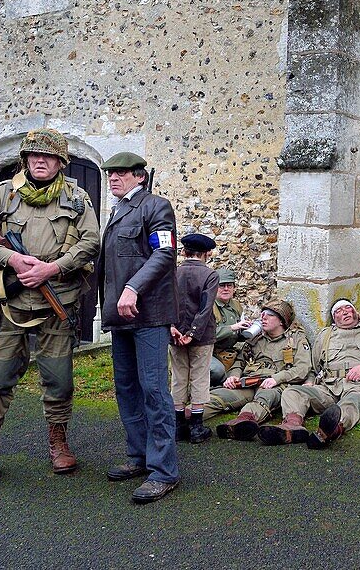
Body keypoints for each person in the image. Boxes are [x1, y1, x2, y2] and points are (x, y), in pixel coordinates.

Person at [0, 129, 100, 485]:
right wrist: (11, 258)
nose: (41, 161)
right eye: (34, 156)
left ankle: (58, 441)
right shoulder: (2, 194)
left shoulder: (77, 197)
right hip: (11, 303)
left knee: (59, 380)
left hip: (59, 302)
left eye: (49, 156)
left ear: (61, 162)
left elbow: (90, 242)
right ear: (25, 160)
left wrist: (52, 268)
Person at [99, 151, 180, 504]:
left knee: (153, 390)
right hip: (121, 317)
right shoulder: (117, 212)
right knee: (127, 388)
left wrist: (133, 288)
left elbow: (164, 255)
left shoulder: (156, 207)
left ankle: (164, 471)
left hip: (148, 314)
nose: (113, 178)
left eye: (120, 173)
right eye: (109, 174)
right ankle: (139, 456)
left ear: (140, 176)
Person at [258, 298, 360, 449]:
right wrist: (310, 381)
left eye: (348, 308)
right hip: (328, 385)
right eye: (338, 311)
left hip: (359, 384)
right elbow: (315, 365)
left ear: (355, 311)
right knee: (293, 392)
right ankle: (292, 425)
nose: (344, 312)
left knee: (353, 401)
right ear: (333, 317)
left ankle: (330, 430)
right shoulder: (325, 335)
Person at [206, 300, 311, 440]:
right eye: (262, 314)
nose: (263, 318)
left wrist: (277, 378)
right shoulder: (255, 339)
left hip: (274, 384)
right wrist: (233, 376)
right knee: (217, 397)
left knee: (262, 400)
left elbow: (303, 368)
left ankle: (241, 423)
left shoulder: (296, 339)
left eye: (269, 315)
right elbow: (239, 362)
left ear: (281, 321)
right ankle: (183, 418)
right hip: (247, 382)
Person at [170, 233, 219, 445]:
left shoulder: (173, 272)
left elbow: (165, 303)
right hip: (202, 335)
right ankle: (197, 427)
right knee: (200, 377)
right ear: (206, 254)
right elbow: (206, 307)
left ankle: (178, 425)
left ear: (183, 251)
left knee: (179, 376)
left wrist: (173, 328)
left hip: (175, 334)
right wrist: (193, 333)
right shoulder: (210, 275)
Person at [209, 268, 245, 387]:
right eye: (222, 285)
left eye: (229, 285)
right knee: (217, 371)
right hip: (207, 352)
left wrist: (248, 330)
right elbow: (207, 335)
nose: (226, 289)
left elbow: (238, 335)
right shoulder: (208, 306)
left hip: (227, 352)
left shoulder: (236, 306)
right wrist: (232, 328)